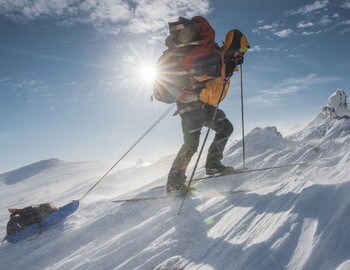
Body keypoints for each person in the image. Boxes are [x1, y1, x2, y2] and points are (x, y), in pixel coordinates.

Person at [163, 18, 250, 197]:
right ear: (233, 45)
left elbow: (219, 79)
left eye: (244, 51)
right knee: (192, 143)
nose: (242, 54)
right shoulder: (213, 54)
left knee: (225, 128)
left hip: (206, 106)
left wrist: (231, 66)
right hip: (191, 104)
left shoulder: (225, 60)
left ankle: (213, 166)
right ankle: (174, 185)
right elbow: (200, 73)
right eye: (241, 49)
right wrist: (224, 69)